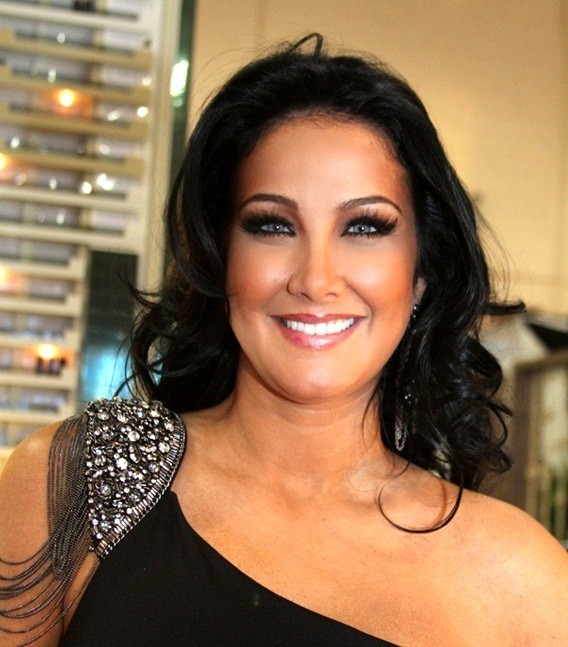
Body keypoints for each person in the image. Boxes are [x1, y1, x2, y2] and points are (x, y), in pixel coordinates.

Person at [0, 34, 566, 646]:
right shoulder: (79, 480)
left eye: (364, 227)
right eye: (272, 225)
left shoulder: (519, 580)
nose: (315, 280)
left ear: (420, 275)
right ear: (221, 259)